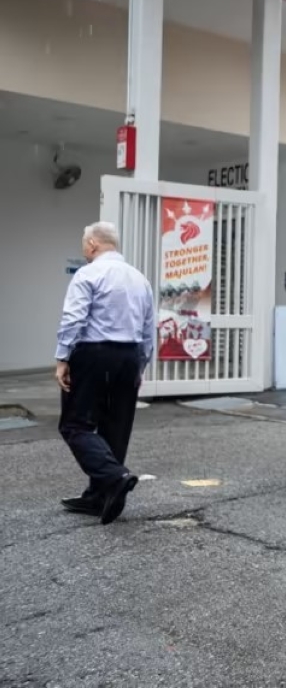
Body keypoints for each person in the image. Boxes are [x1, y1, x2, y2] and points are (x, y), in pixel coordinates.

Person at [55, 221, 154, 525]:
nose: (83, 249)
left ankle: (114, 476)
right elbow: (150, 327)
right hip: (129, 355)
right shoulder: (140, 279)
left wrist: (62, 357)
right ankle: (99, 497)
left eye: (84, 243)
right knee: (116, 426)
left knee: (76, 425)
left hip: (94, 353)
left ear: (93, 245)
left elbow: (74, 317)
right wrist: (141, 364)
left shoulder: (89, 273)